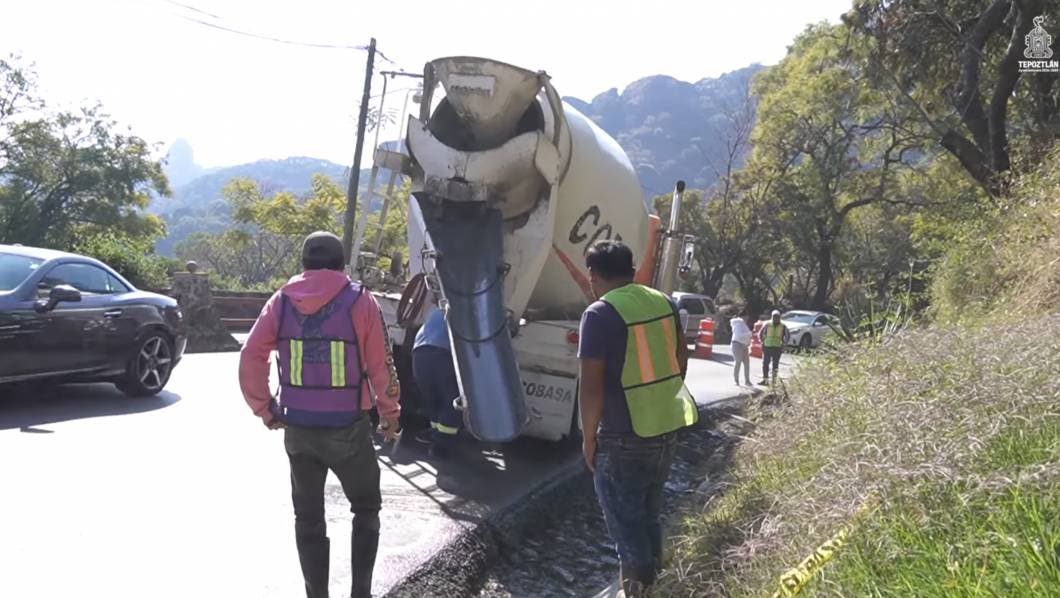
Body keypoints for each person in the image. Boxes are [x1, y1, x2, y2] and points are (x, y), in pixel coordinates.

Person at [238, 231, 401, 598]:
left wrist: (265, 409)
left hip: (297, 428)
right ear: (342, 265)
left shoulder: (280, 301)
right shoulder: (361, 301)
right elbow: (381, 367)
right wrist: (390, 415)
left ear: (304, 264)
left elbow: (251, 356)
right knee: (366, 508)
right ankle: (361, 593)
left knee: (308, 519)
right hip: (348, 429)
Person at [577, 240, 698, 597]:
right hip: (664, 430)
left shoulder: (599, 314)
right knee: (648, 518)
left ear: (593, 276)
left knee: (627, 531)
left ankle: (639, 593)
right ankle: (658, 587)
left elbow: (591, 387)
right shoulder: (664, 303)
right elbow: (681, 360)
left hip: (622, 437)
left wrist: (588, 438)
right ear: (632, 271)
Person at [411, 302, 463, 459]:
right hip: (443, 355)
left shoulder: (437, 313)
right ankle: (442, 446)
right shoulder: (462, 315)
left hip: (419, 354)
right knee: (452, 401)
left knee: (431, 397)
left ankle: (434, 433)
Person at [758, 309, 790, 385]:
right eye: (774, 316)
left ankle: (773, 381)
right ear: (772, 317)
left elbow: (788, 336)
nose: (775, 318)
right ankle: (765, 380)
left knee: (775, 365)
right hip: (767, 347)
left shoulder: (783, 326)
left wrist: (784, 344)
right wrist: (762, 342)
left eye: (777, 317)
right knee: (765, 364)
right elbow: (760, 333)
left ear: (779, 317)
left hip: (777, 347)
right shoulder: (767, 324)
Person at [730, 308, 753, 386]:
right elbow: (738, 335)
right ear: (744, 316)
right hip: (737, 345)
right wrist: (749, 334)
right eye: (746, 316)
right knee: (738, 362)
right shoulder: (738, 323)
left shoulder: (743, 324)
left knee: (746, 363)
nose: (747, 318)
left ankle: (747, 381)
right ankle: (736, 380)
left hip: (744, 346)